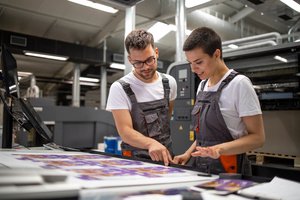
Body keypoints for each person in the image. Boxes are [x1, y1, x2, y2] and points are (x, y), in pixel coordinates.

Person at [173, 27, 265, 175]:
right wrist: (188, 154)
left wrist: (219, 150)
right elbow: (206, 138)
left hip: (229, 168)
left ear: (216, 54)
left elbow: (258, 138)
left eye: (198, 62)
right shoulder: (202, 86)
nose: (193, 69)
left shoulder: (239, 84)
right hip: (201, 167)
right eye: (190, 63)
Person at [106, 29, 177, 166]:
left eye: (150, 60)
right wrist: (151, 143)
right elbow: (125, 132)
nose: (145, 67)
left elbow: (166, 119)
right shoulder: (120, 88)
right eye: (138, 63)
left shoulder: (169, 83)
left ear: (156, 52)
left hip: (166, 157)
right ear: (130, 59)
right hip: (134, 160)